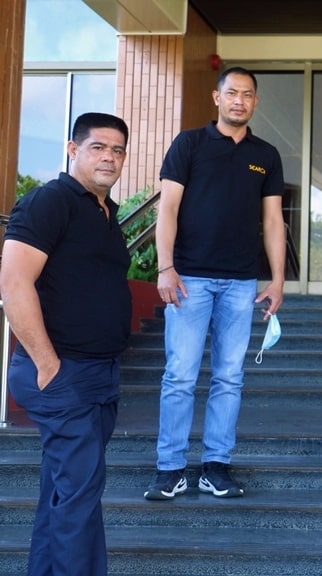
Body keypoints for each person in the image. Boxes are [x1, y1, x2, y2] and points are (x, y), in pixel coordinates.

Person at [144, 66, 286, 500]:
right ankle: (170, 469)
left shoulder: (267, 153)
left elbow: (273, 221)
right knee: (180, 376)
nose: (239, 100)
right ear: (216, 97)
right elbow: (166, 209)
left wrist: (277, 280)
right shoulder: (189, 144)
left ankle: (215, 467)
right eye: (232, 93)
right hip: (189, 278)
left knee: (229, 377)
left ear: (255, 102)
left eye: (247, 94)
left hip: (242, 282)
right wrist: (165, 268)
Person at [0, 112, 132, 576]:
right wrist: (46, 363)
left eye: (118, 150)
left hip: (99, 374)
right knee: (78, 494)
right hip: (62, 372)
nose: (110, 157)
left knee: (63, 492)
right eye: (98, 147)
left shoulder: (106, 213)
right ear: (73, 150)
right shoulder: (49, 201)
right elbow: (14, 282)